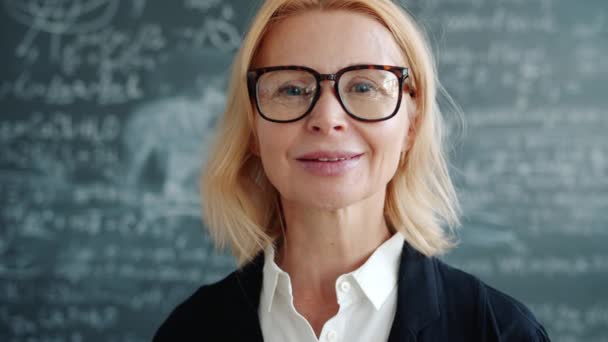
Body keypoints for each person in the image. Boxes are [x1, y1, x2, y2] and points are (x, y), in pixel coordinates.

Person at [153, 0, 551, 341]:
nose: (327, 119)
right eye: (292, 89)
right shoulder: (190, 330)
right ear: (253, 130)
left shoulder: (500, 332)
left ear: (411, 125)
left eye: (363, 87)